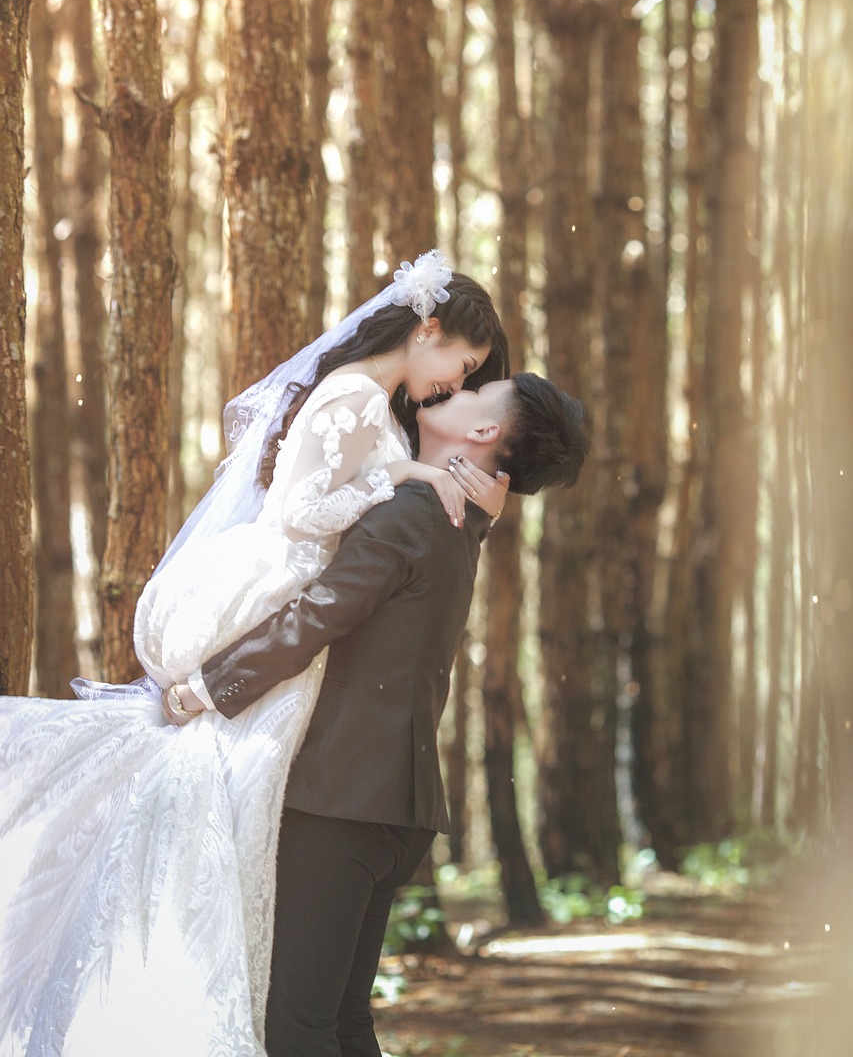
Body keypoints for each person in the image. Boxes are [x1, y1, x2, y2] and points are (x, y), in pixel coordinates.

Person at [0, 252, 510, 1057]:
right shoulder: (352, 393)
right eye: (461, 362)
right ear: (427, 328)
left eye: (471, 375)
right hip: (280, 591)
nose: (453, 383)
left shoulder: (373, 402)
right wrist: (403, 476)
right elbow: (305, 509)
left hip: (304, 621)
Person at [170, 372, 590, 1057]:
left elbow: (317, 616)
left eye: (476, 392)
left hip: (342, 800)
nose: (453, 389)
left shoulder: (414, 515)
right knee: (340, 1023)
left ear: (484, 433)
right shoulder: (457, 519)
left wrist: (206, 689)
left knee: (296, 1027)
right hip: (396, 807)